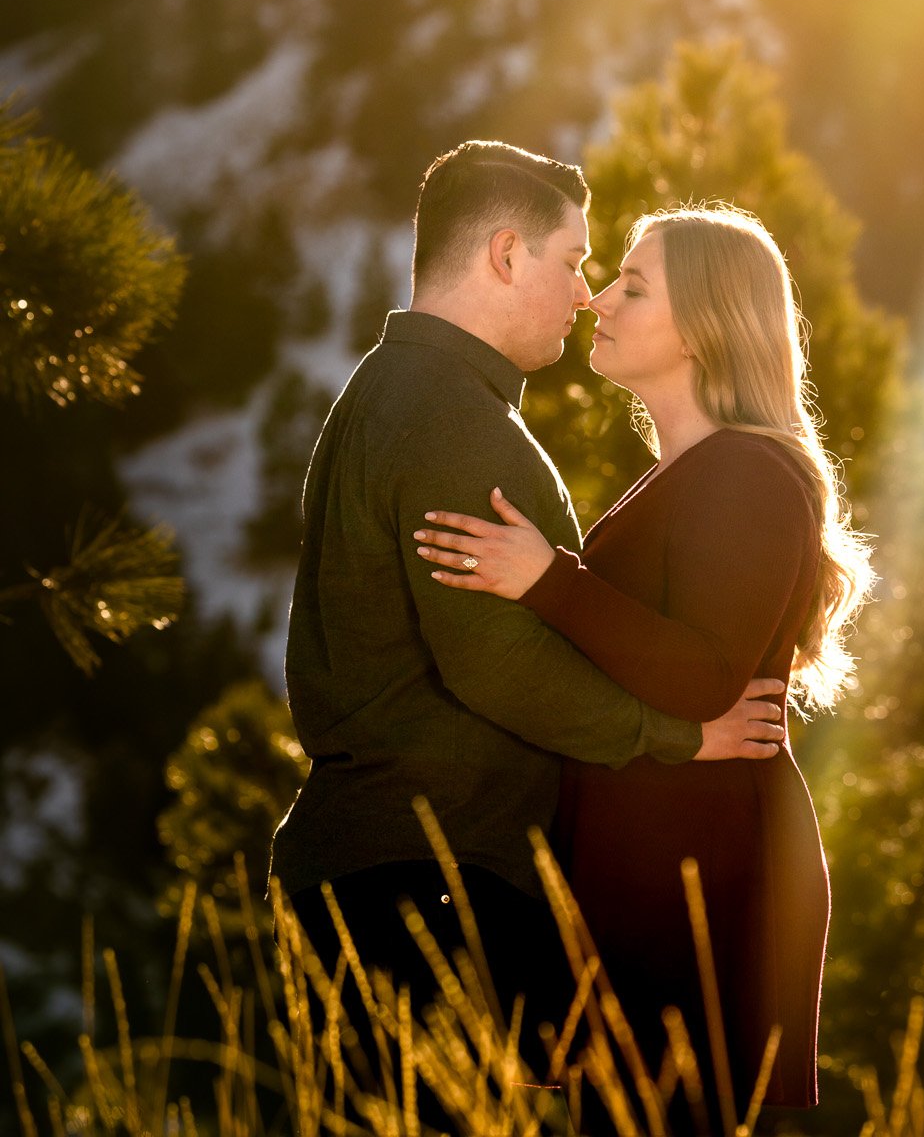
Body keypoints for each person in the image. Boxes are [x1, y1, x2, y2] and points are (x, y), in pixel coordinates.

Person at [270, 144, 785, 1050]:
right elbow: (497, 662)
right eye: (575, 263)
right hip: (424, 872)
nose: (586, 294)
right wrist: (678, 736)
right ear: (506, 256)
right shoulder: (451, 419)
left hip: (392, 864)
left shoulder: (398, 393)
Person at [414, 203, 873, 1113]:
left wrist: (550, 579)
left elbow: (701, 677)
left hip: (702, 867)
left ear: (705, 323)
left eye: (632, 284)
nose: (595, 301)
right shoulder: (691, 473)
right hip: (657, 852)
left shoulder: (744, 473)